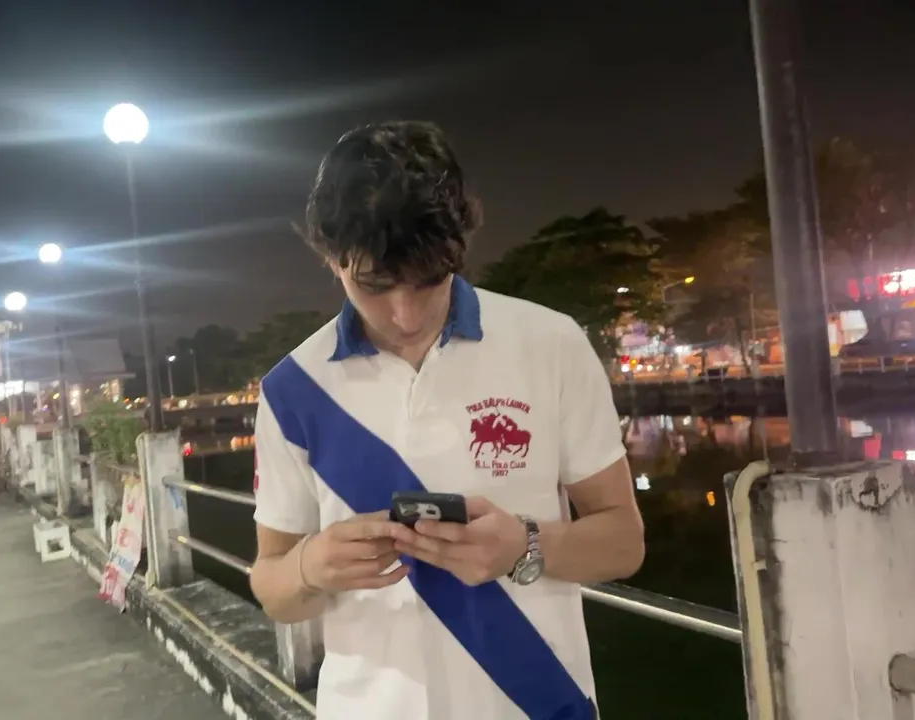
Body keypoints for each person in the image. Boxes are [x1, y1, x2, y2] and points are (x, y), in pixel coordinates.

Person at [249, 121, 645, 720]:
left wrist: (526, 545)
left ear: (459, 248)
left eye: (429, 281)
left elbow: (624, 542)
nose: (405, 314)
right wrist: (312, 565)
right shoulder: (291, 391)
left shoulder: (551, 344)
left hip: (537, 703)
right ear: (331, 257)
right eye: (374, 285)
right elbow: (272, 587)